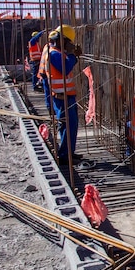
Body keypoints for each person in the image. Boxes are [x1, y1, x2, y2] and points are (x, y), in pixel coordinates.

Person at [44, 24, 82, 165]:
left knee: (71, 127)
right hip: (62, 98)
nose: (70, 46)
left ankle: (68, 152)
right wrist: (72, 55)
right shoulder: (54, 53)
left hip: (66, 96)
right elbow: (65, 69)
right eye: (68, 42)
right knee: (68, 126)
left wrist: (73, 56)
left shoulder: (58, 53)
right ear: (62, 40)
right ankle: (65, 155)